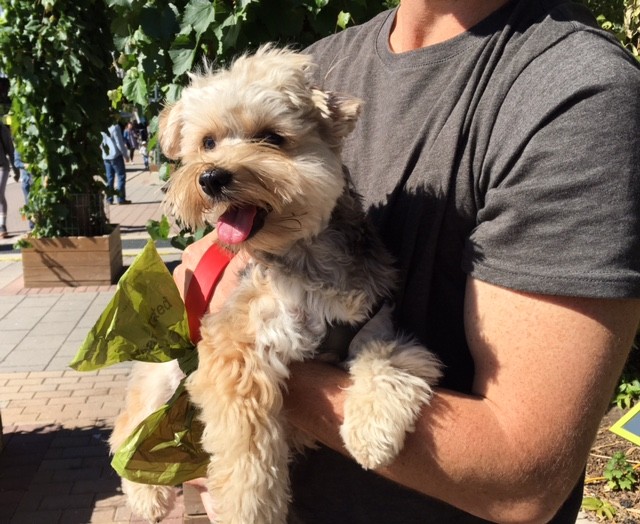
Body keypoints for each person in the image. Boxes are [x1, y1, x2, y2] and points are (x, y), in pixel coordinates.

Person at [173, 0, 640, 522]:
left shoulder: (571, 90)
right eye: (210, 143)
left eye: (270, 140)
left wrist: (232, 369)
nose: (220, 164)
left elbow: (523, 480)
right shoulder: (322, 63)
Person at [101, 121, 131, 205]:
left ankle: (109, 199)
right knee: (121, 176)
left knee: (109, 178)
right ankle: (121, 199)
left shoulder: (102, 125)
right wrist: (125, 155)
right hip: (115, 155)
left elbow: (100, 142)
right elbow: (119, 143)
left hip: (106, 156)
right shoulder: (115, 126)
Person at [0, 120, 19, 238]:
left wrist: (16, 169)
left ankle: (2, 225)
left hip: (1, 166)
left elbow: (11, 150)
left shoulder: (1, 128)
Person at [14, 150, 33, 229]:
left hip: (36, 180)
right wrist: (26, 165)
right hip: (27, 182)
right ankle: (32, 227)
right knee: (29, 205)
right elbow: (17, 163)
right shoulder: (19, 148)